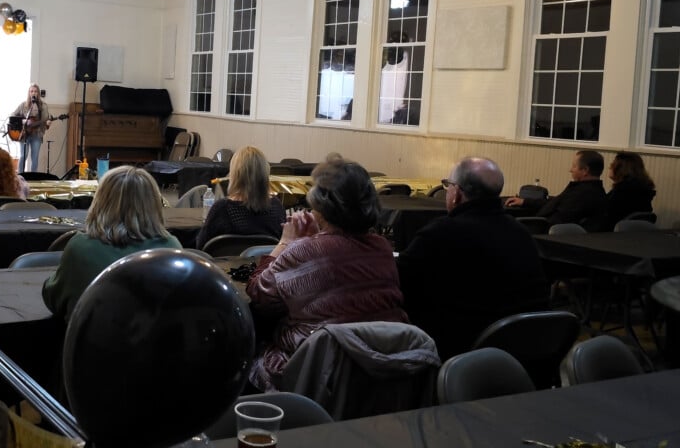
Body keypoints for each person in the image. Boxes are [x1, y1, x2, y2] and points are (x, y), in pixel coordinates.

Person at [245, 157, 407, 391]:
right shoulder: (382, 247)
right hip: (377, 368)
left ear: (322, 208)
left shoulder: (304, 251)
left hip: (318, 371)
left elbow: (259, 294)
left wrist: (286, 242)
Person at [398, 157, 549, 359]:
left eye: (448, 185)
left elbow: (399, 283)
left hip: (462, 352)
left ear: (457, 194)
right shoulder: (521, 232)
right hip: (527, 349)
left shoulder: (440, 234)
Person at [42, 166, 182, 320]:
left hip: (92, 342)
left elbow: (54, 299)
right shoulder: (172, 249)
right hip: (154, 343)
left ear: (100, 202)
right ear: (154, 204)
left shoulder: (80, 248)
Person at [194, 145, 285, 249]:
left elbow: (201, 246)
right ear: (265, 173)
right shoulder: (276, 207)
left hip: (225, 264)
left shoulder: (221, 209)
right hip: (266, 264)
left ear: (234, 174)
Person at [505, 149, 606, 229]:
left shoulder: (583, 195)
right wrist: (524, 202)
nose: (570, 170)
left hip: (542, 232)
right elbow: (555, 203)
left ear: (585, 170)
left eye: (574, 166)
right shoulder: (589, 190)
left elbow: (557, 220)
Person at [600, 151, 656, 231]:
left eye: (612, 165)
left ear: (620, 169)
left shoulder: (622, 193)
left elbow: (607, 216)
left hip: (610, 236)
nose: (610, 167)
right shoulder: (643, 191)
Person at [11, 83, 51, 173]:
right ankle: (20, 176)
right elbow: (12, 115)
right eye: (31, 91)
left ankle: (33, 178)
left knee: (35, 157)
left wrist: (47, 123)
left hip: (37, 134)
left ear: (38, 93)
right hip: (24, 134)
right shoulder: (23, 105)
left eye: (36, 91)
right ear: (29, 93)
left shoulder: (43, 106)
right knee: (23, 156)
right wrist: (23, 121)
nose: (33, 93)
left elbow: (45, 120)